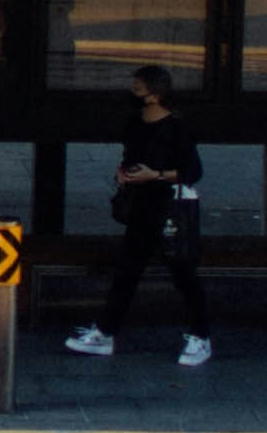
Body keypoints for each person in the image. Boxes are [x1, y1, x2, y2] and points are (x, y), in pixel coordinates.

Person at [71, 72, 212, 369]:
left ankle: (200, 334)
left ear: (156, 95)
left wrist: (155, 175)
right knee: (127, 270)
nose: (133, 94)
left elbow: (191, 171)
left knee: (183, 272)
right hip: (141, 206)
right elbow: (129, 155)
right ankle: (106, 331)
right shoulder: (135, 123)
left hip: (169, 207)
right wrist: (124, 173)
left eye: (139, 89)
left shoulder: (176, 127)